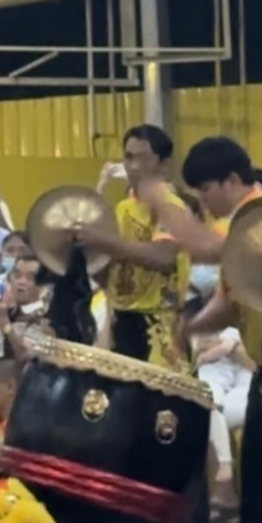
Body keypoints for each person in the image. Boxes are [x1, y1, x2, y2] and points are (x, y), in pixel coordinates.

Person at [170, 136, 262, 523]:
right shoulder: (240, 232)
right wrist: (188, 328)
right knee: (259, 471)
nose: (205, 203)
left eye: (207, 192)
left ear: (232, 181)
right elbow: (228, 302)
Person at [76, 125, 191, 369]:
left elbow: (163, 256)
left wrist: (101, 241)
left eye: (143, 158)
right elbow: (108, 276)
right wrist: (87, 253)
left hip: (160, 327)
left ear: (164, 164)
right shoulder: (121, 209)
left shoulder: (172, 207)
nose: (134, 166)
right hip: (122, 323)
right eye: (128, 157)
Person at [193, 323, 253, 519]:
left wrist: (224, 349)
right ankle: (225, 488)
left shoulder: (234, 331)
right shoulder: (197, 332)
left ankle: (225, 487)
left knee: (212, 416)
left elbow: (245, 358)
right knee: (210, 410)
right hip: (214, 390)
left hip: (244, 392)